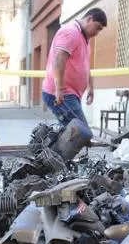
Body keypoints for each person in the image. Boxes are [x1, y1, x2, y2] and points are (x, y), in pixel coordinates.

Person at [41, 8, 108, 143]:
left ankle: (53, 158)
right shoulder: (70, 32)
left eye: (100, 30)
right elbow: (59, 60)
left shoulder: (84, 38)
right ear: (89, 19)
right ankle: (51, 158)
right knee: (80, 133)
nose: (97, 33)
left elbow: (84, 64)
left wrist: (90, 86)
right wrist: (59, 90)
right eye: (97, 28)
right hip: (62, 94)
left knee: (72, 133)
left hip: (71, 94)